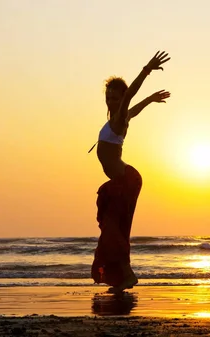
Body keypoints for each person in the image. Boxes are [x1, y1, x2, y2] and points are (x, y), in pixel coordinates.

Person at [90, 51, 170, 293]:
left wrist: (147, 69)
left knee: (113, 231)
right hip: (122, 181)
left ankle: (127, 276)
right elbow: (133, 109)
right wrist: (151, 99)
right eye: (109, 97)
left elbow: (129, 99)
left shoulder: (117, 120)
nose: (112, 101)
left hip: (124, 181)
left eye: (116, 97)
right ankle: (124, 276)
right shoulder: (118, 118)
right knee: (113, 231)